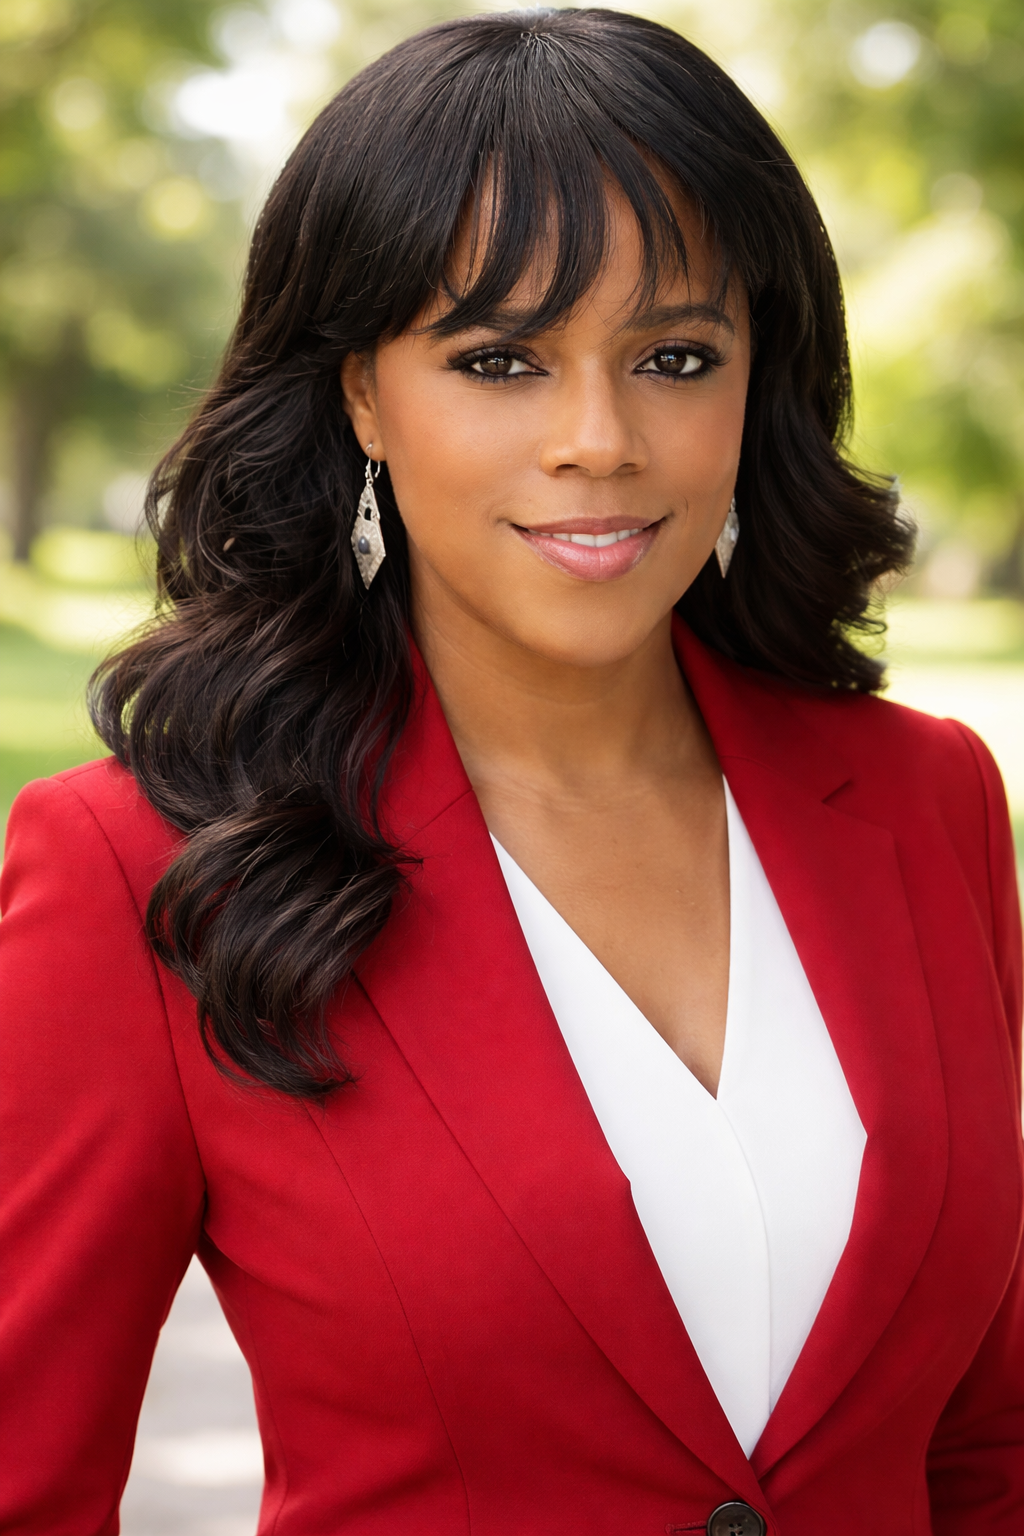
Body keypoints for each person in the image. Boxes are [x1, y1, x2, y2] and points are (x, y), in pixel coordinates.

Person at [1, 10, 1021, 1534]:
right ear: (361, 393)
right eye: (500, 361)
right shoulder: (143, 867)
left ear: (758, 379)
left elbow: (988, 1446)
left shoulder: (929, 799)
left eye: (675, 357)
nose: (599, 440)